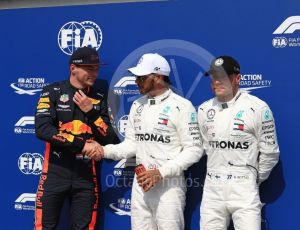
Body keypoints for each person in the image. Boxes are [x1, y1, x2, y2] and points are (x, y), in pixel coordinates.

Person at [88, 53, 203, 230]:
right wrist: (104, 151)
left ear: (158, 77)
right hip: (141, 185)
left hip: (169, 188)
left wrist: (161, 172)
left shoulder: (182, 106)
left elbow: (194, 149)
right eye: (136, 77)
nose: (136, 81)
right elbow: (131, 144)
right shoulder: (138, 105)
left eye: (141, 77)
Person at [34, 47, 118, 229]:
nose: (94, 73)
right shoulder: (52, 91)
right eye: (89, 68)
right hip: (54, 174)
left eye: (96, 68)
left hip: (87, 177)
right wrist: (81, 145)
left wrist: (92, 113)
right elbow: (42, 129)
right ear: (73, 68)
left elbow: (110, 139)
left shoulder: (99, 98)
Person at [198, 56, 280, 230]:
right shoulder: (204, 109)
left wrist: (252, 178)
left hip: (244, 187)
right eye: (214, 77)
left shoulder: (258, 108)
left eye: (223, 77)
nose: (217, 82)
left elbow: (270, 152)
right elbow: (206, 147)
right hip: (213, 188)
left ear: (237, 78)